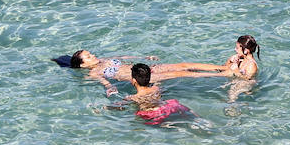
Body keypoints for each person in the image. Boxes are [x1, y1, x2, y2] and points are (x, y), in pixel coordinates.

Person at [57, 50, 238, 95]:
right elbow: (105, 82)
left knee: (183, 65)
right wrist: (110, 88)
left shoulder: (104, 60)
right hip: (142, 76)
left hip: (147, 68)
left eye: (90, 53)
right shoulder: (93, 73)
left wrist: (146, 57)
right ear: (82, 66)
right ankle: (224, 74)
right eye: (88, 57)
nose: (93, 56)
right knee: (182, 74)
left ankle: (223, 67)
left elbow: (125, 56)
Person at [124, 63, 191, 124]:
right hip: (167, 108)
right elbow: (159, 84)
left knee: (138, 116)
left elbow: (120, 106)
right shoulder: (155, 88)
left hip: (153, 115)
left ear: (134, 81)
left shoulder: (133, 97)